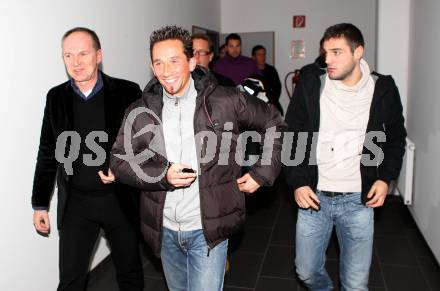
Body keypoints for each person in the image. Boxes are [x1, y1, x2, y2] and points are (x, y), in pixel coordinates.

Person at [110, 25, 286, 291]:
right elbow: (119, 161)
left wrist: (262, 172)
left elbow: (274, 121)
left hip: (208, 230)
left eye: (173, 61)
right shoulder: (140, 110)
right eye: (158, 63)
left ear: (192, 62)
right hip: (164, 230)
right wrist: (162, 174)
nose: (165, 71)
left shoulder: (225, 100)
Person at [284, 23, 406, 290]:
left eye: (337, 52)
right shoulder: (311, 85)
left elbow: (396, 139)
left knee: (355, 283)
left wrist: (385, 179)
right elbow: (292, 135)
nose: (328, 59)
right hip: (314, 197)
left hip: (358, 201)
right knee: (305, 271)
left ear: (358, 51)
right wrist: (298, 181)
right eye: (325, 52)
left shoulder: (382, 89)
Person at [31, 27, 143, 291]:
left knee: (130, 273)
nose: (76, 62)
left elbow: (145, 143)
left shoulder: (127, 92)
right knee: (70, 280)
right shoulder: (56, 97)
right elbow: (47, 151)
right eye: (68, 55)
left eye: (83, 53)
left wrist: (123, 168)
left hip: (119, 200)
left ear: (99, 55)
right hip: (76, 204)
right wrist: (39, 204)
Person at [251, 45, 283, 114]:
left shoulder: (271, 70)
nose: (262, 57)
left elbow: (277, 88)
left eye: (264, 54)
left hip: (272, 106)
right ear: (253, 57)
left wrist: (271, 101)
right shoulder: (250, 71)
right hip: (255, 107)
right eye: (259, 55)